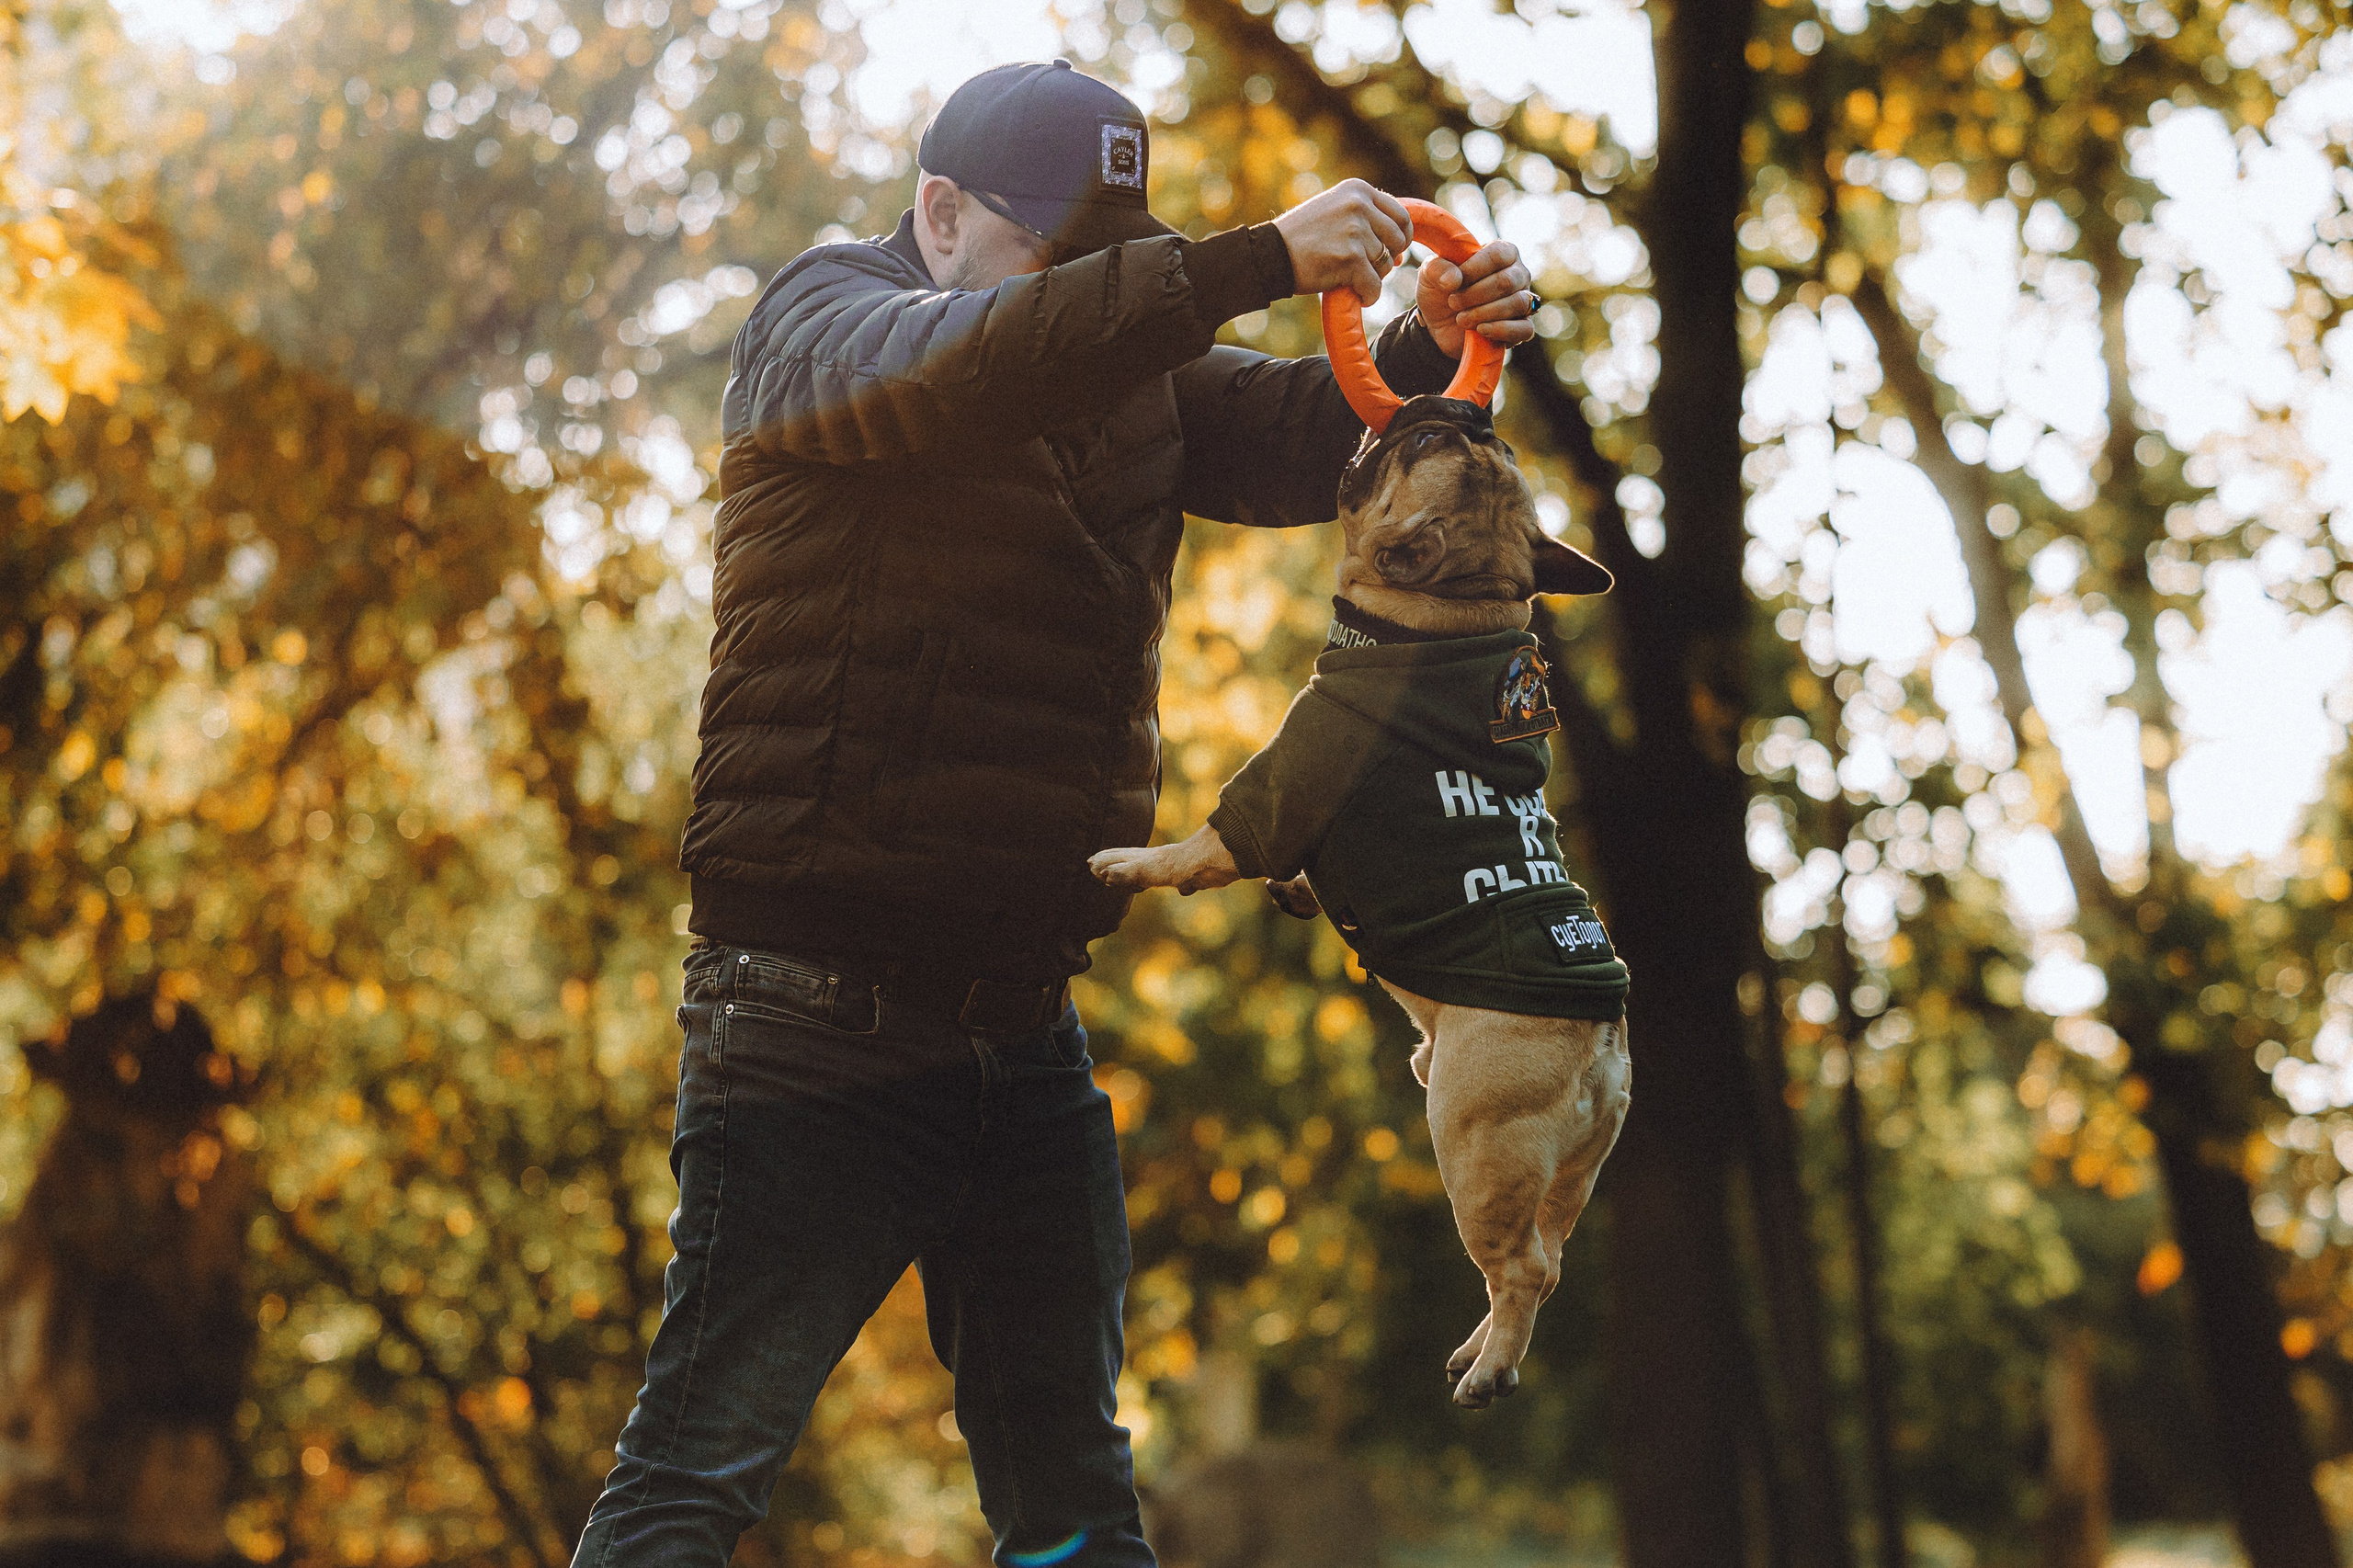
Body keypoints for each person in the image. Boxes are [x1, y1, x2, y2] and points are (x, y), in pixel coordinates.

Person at [571, 58, 1537, 1568]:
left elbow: (1302, 432)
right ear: (939, 213)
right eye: (1059, 255)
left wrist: (1431, 340)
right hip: (808, 1019)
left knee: (1079, 1507)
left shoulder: (1109, 363)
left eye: (1114, 263)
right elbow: (982, 364)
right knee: (696, 1480)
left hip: (1023, 1034)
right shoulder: (821, 330)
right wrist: (1250, 263)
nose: (1095, 303)